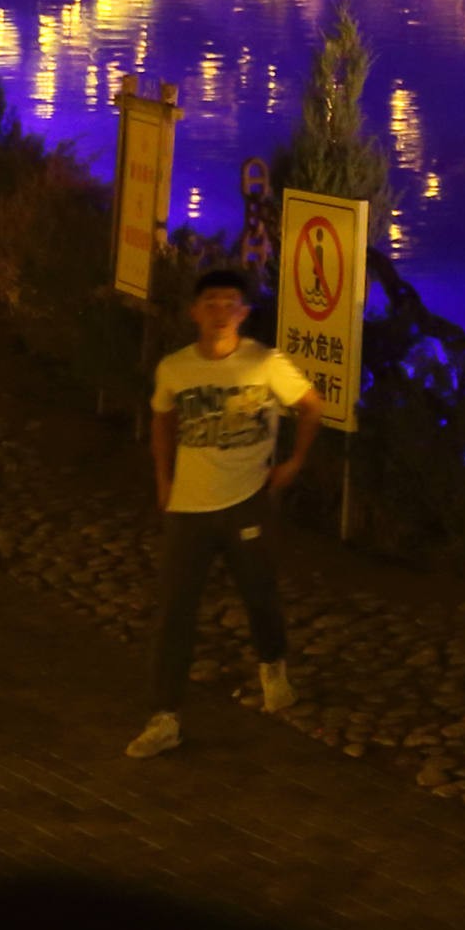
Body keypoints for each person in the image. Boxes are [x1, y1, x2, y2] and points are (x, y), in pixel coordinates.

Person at [128, 264, 319, 758]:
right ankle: (163, 716)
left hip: (246, 501)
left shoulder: (265, 363)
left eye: (229, 303)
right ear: (195, 311)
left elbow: (311, 405)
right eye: (210, 302)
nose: (219, 312)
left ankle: (272, 665)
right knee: (174, 612)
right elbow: (162, 421)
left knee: (259, 594)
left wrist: (294, 461)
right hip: (189, 508)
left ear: (243, 312)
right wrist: (163, 479)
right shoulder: (176, 368)